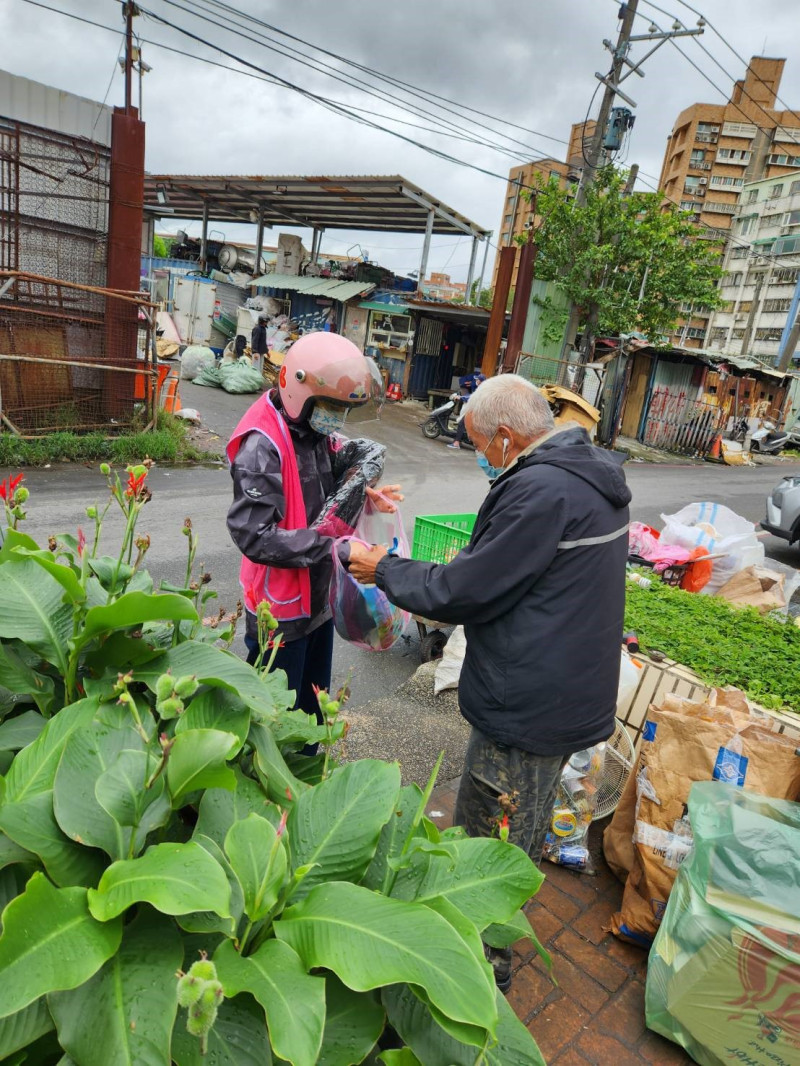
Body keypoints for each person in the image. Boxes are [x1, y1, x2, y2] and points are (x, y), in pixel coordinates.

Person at [348, 374, 630, 990]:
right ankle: (480, 957)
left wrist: (384, 567)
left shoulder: (539, 491)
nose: (478, 456)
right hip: (565, 692)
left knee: (490, 844)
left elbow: (463, 591)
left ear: (505, 436)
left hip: (528, 704)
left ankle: (478, 974)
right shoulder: (587, 472)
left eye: (478, 442)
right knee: (519, 828)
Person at [227, 332, 401, 752]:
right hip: (280, 611)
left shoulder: (314, 431)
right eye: (331, 406)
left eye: (343, 409)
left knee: (312, 712)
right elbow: (255, 536)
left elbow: (327, 496)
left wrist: (365, 497)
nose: (337, 418)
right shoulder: (261, 448)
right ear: (297, 387)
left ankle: (307, 787)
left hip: (318, 601)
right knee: (276, 724)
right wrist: (336, 549)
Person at [447, 366, 485, 449]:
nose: (476, 380)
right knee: (463, 423)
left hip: (477, 410)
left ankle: (456, 443)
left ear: (481, 381)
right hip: (475, 408)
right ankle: (460, 440)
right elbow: (470, 394)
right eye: (477, 379)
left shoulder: (481, 389)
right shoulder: (477, 386)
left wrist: (461, 397)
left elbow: (472, 397)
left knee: (462, 423)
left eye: (478, 380)